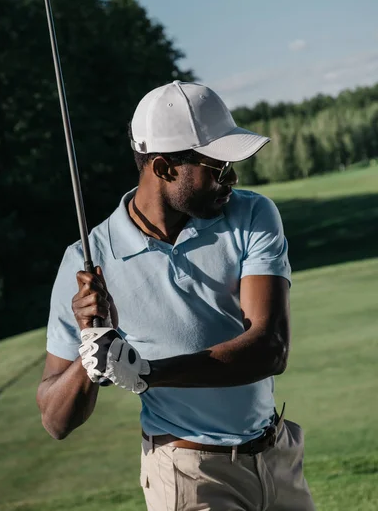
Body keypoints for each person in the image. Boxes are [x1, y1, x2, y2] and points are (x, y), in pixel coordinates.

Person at [37, 81, 316, 510]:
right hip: (188, 475)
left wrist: (145, 371)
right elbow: (56, 421)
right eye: (219, 167)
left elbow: (270, 349)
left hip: (276, 457)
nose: (233, 178)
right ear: (165, 168)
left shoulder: (252, 214)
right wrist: (90, 356)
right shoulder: (86, 261)